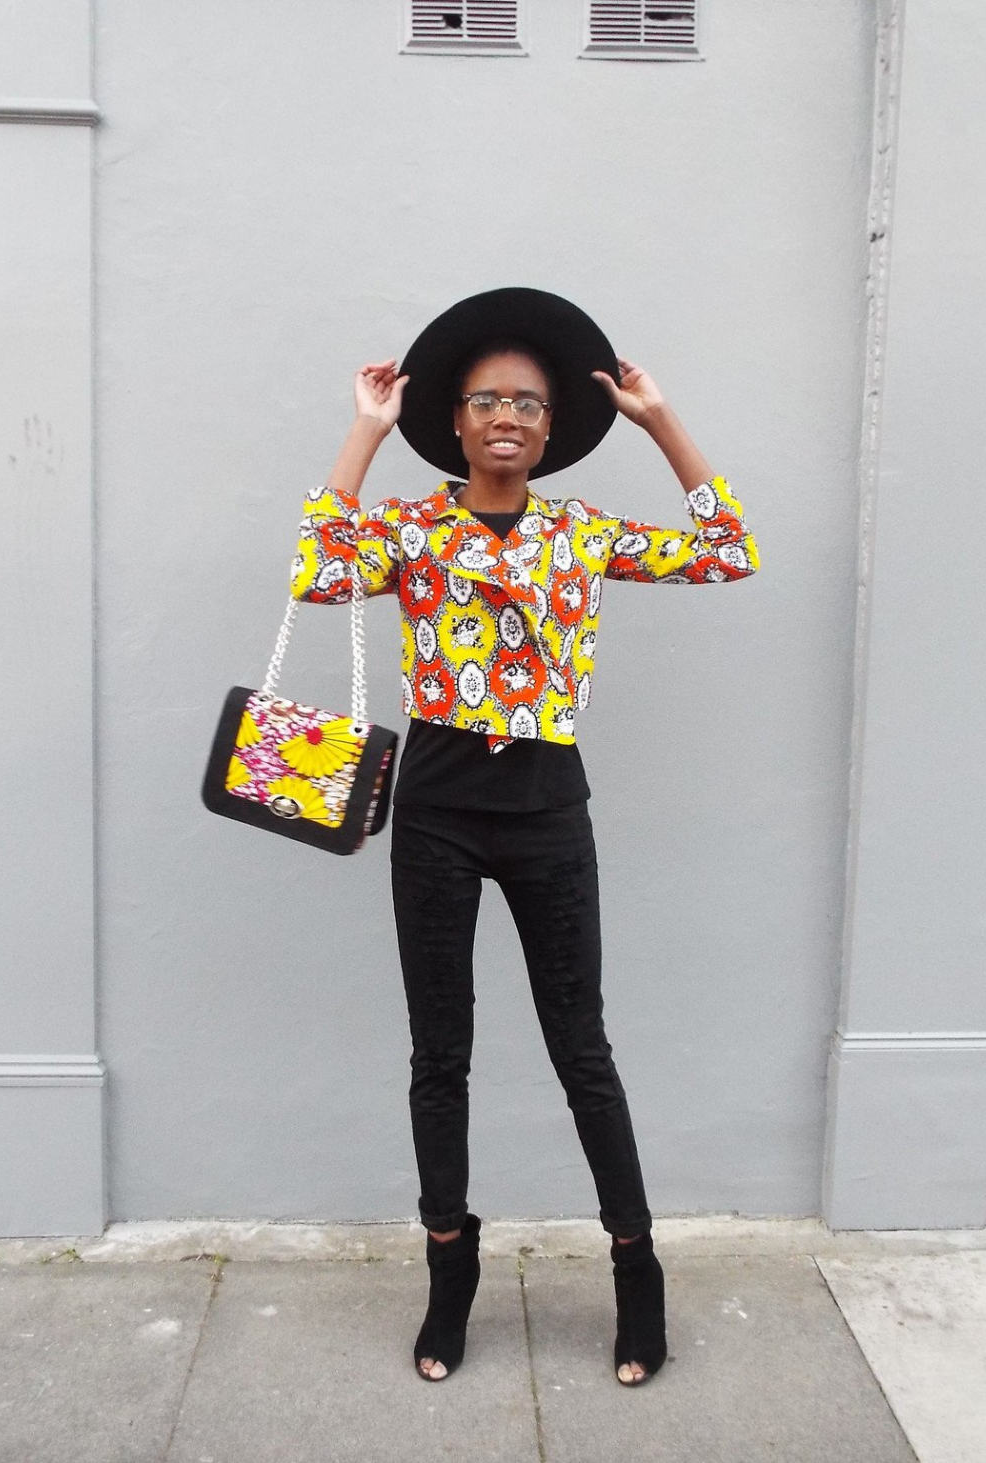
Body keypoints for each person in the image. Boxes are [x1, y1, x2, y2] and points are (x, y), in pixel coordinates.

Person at [291, 288, 760, 1386]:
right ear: (455, 421)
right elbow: (316, 569)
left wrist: (658, 421)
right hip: (439, 812)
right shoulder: (411, 527)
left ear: (551, 429)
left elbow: (729, 547)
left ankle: (635, 1271)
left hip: (548, 810)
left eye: (528, 404)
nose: (507, 415)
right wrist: (363, 427)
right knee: (438, 1052)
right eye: (486, 399)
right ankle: (450, 1266)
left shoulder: (578, 529)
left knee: (579, 1048)